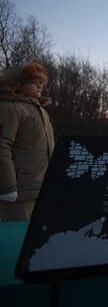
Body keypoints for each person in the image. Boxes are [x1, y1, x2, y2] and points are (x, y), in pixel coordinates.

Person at [0, 61, 55, 221]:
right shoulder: (10, 108)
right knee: (18, 239)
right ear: (17, 84)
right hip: (19, 191)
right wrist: (7, 186)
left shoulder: (42, 112)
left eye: (41, 83)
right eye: (33, 82)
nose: (39, 87)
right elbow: (2, 146)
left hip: (41, 188)